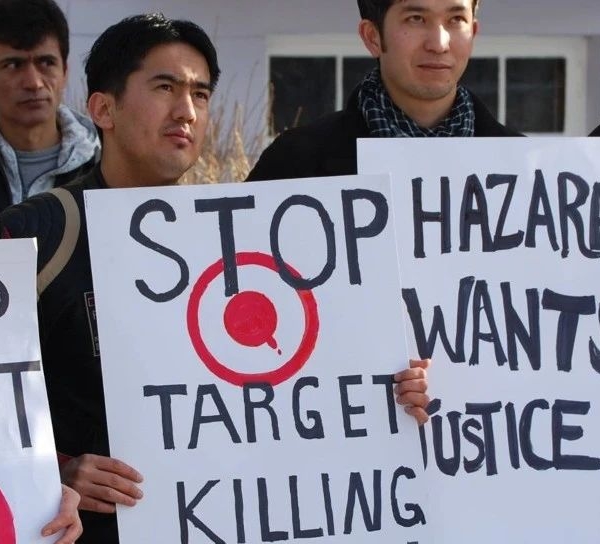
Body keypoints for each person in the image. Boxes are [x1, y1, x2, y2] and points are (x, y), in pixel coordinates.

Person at [0, 13, 220, 543]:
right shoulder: (33, 234)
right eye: (165, 87)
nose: (186, 111)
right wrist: (52, 470)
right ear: (103, 109)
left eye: (201, 94)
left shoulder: (238, 238)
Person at [247, 0, 520, 182]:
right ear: (372, 37)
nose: (439, 44)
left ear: (473, 31)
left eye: (456, 19)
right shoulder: (293, 164)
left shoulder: (528, 172)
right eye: (416, 18)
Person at [0, 0, 99, 212]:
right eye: (13, 65)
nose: (34, 83)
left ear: (65, 72)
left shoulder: (107, 163)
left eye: (46, 63)